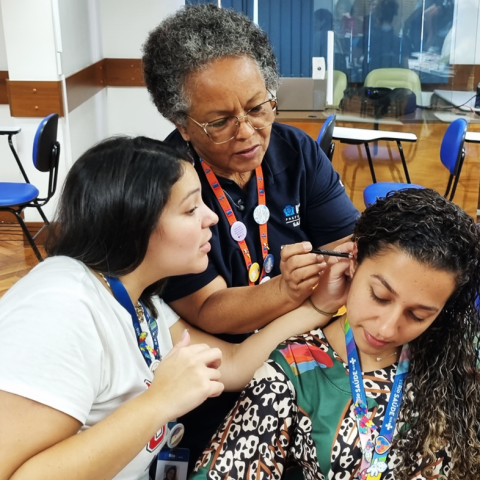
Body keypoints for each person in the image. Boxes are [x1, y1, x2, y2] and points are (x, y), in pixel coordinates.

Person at [0, 137, 353, 480]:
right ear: (136, 224)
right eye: (190, 208)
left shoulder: (138, 300)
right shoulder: (61, 306)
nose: (211, 219)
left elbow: (231, 363)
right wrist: (158, 402)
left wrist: (320, 305)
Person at [142, 4, 359, 466]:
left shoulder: (294, 151)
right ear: (182, 124)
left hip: (305, 346)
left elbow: (348, 241)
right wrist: (287, 289)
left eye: (258, 107)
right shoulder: (166, 184)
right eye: (219, 121)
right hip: (218, 372)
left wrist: (333, 273)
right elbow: (209, 310)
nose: (248, 132)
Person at [191, 188, 480, 480]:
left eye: (418, 315)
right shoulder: (296, 371)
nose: (387, 328)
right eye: (379, 296)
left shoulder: (462, 357)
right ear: (353, 262)